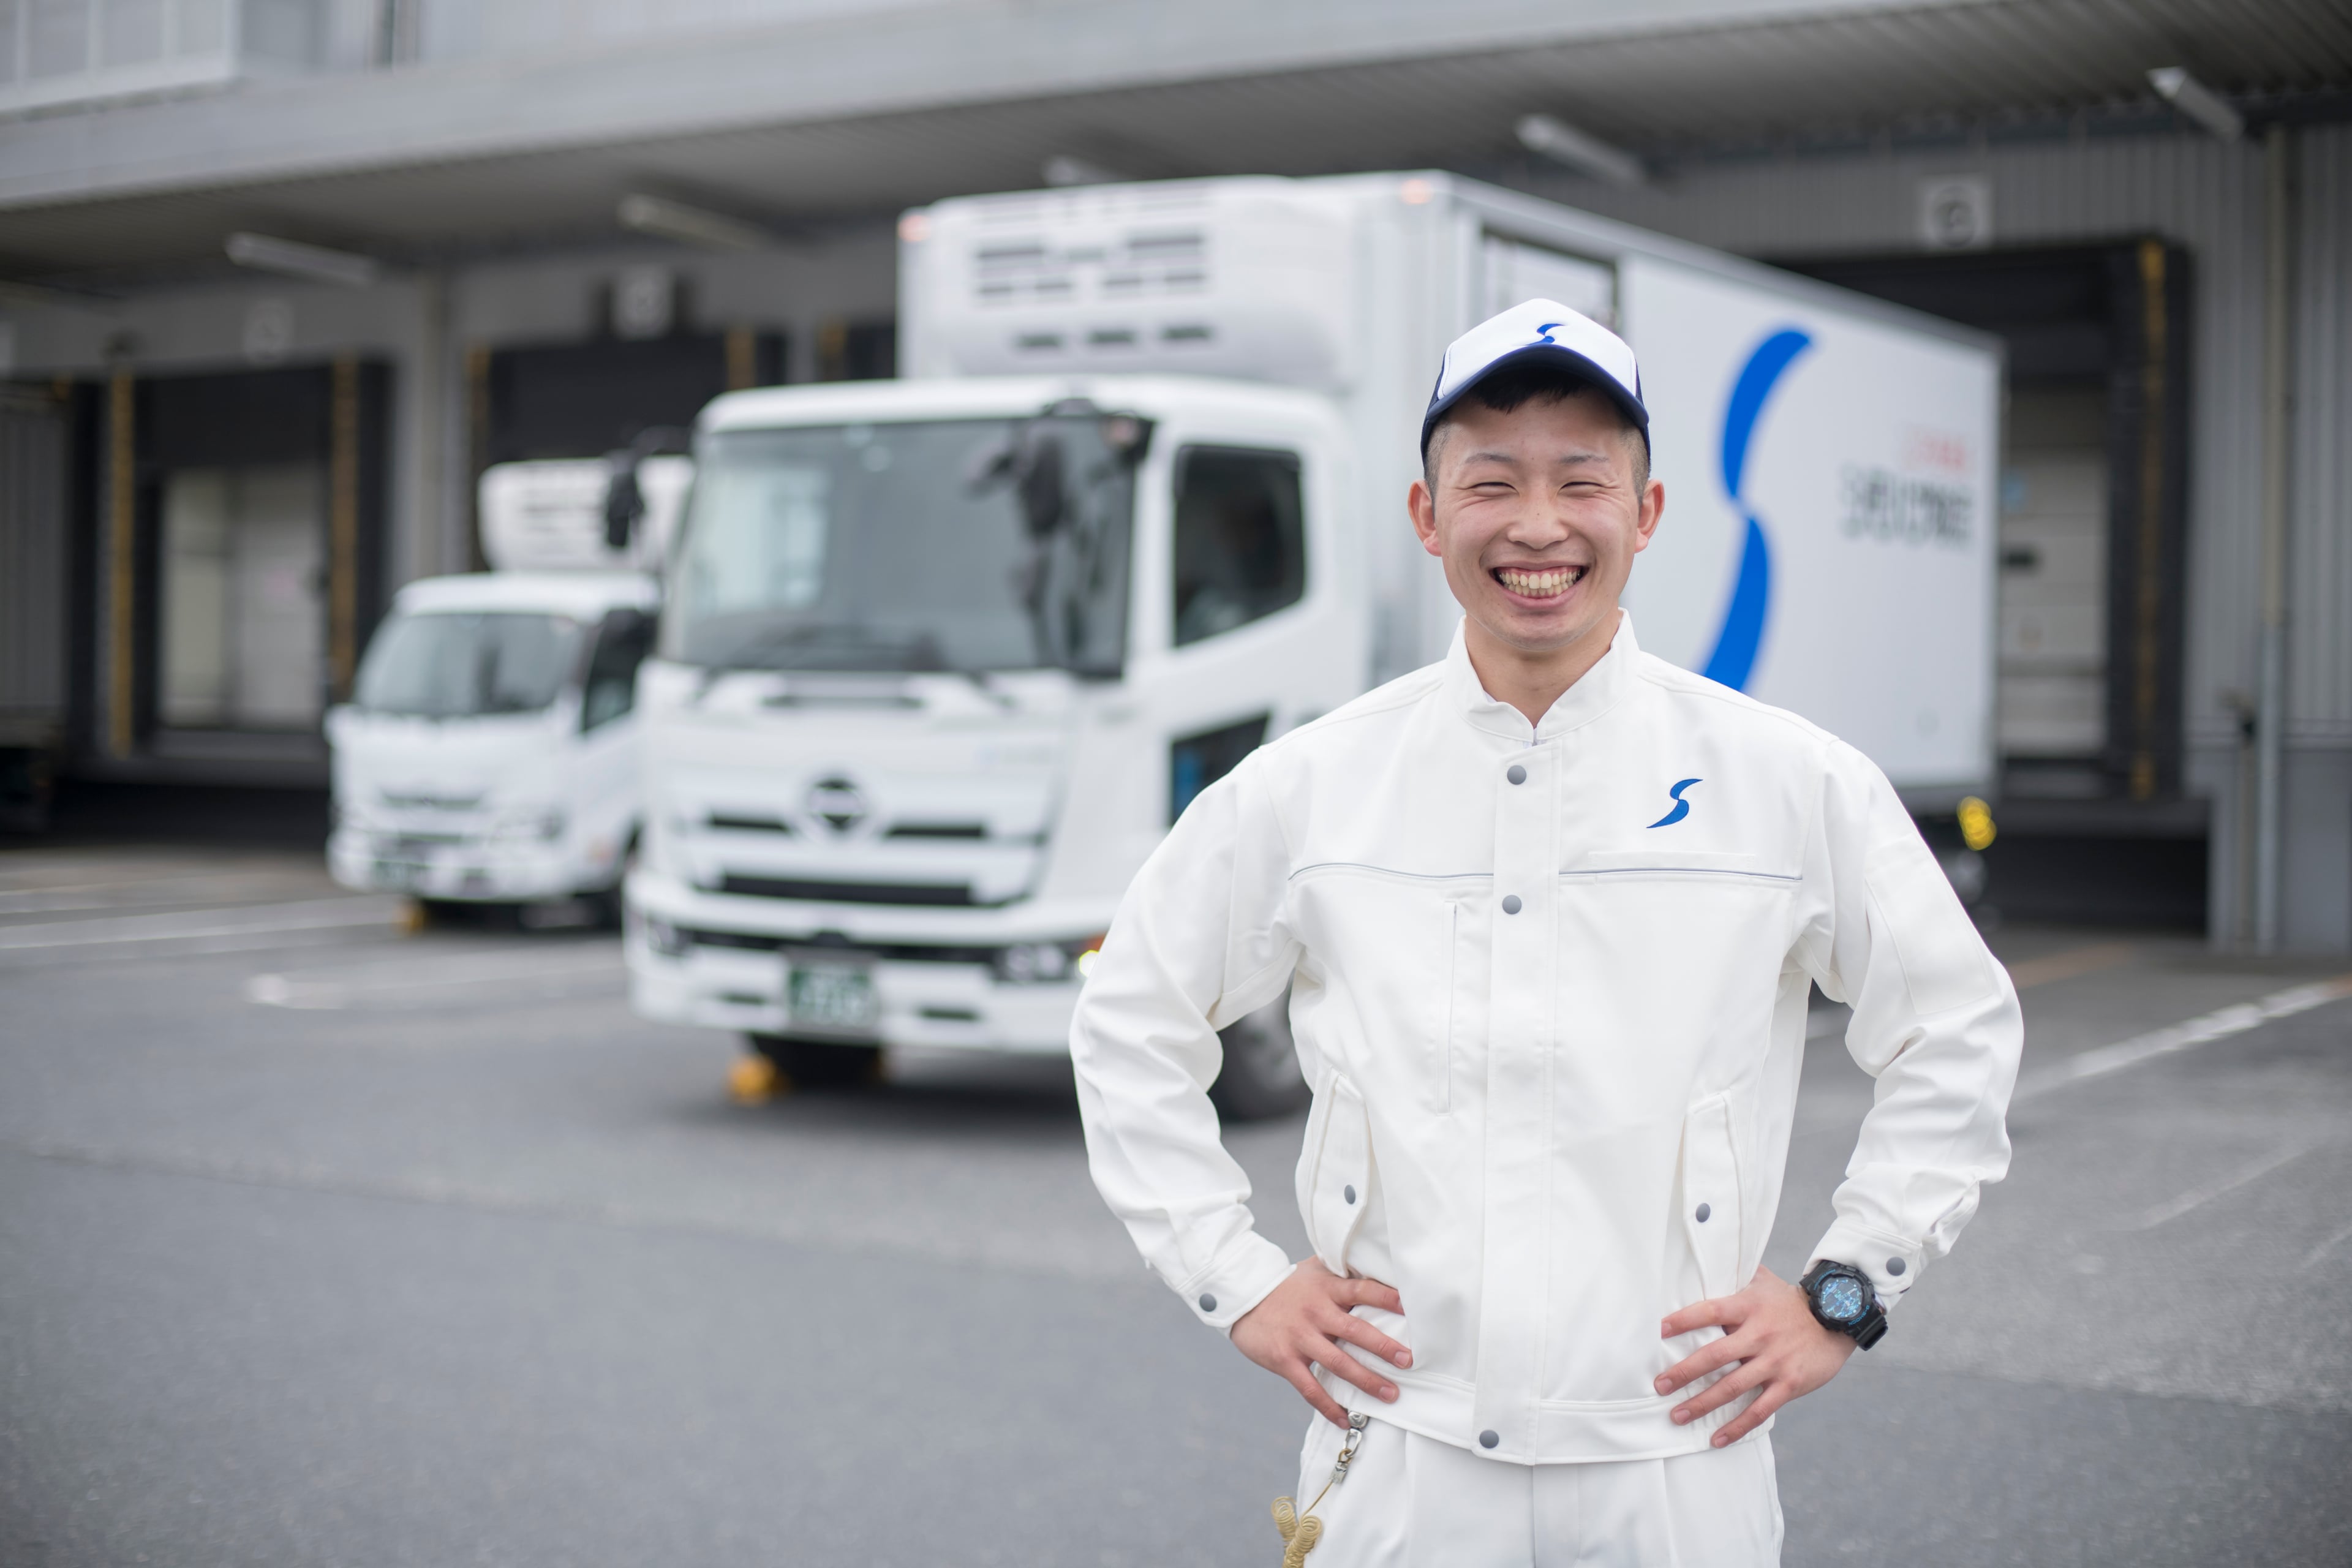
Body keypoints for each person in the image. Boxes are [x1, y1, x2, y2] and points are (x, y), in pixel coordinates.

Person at [1069, 299, 2022, 1567]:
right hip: (1400, 1454)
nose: (1537, 524)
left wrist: (1847, 1289)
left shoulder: (1786, 781)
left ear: (1648, 511)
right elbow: (1130, 1015)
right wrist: (1235, 1274)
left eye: (1583, 479)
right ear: (1427, 516)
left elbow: (1957, 1028)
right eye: (1491, 481)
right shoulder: (1310, 784)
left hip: (1677, 1454)